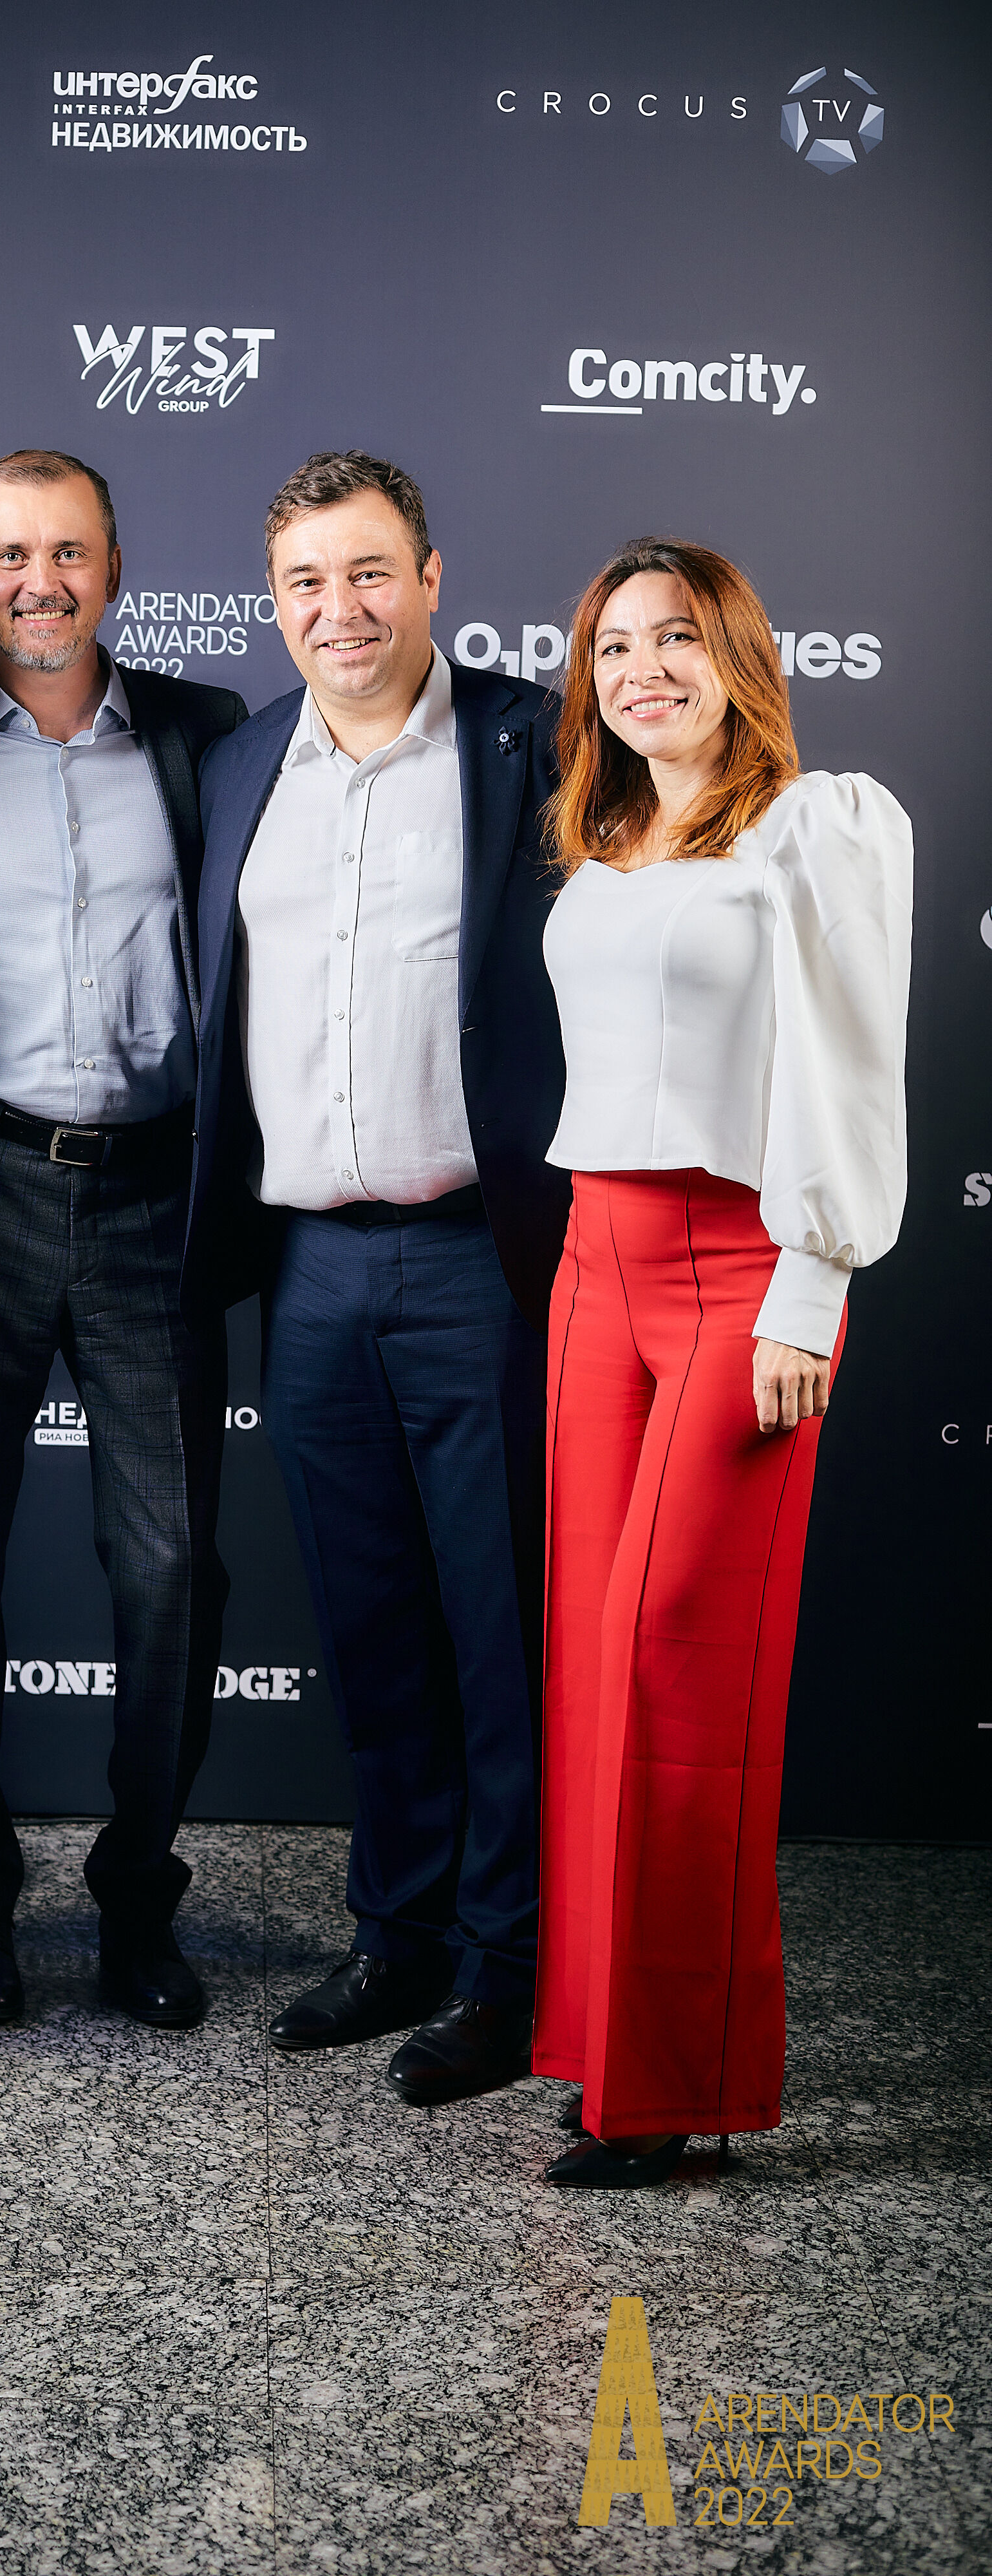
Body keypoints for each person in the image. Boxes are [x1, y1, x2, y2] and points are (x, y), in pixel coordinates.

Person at [184, 451, 572, 2104]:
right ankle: (396, 1932)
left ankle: (506, 1967)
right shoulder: (238, 762)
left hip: (481, 1256)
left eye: (365, 573)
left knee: (500, 1630)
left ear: (427, 576)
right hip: (310, 1268)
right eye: (302, 583)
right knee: (369, 1625)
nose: (335, 610)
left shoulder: (536, 739)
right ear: (272, 603)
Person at [0, 450, 246, 2029]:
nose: (40, 581)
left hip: (154, 1195)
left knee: (170, 1571)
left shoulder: (211, 736)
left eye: (67, 550)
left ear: (114, 565)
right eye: (10, 554)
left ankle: (140, 1897)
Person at [532, 538, 912, 2187]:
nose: (642, 670)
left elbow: (850, 1067)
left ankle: (675, 2080)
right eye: (613, 647)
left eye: (675, 637)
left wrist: (807, 1292)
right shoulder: (604, 835)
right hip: (591, 1265)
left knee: (678, 1675)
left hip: (737, 1270)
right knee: (591, 1670)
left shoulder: (815, 826)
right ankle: (601, 2045)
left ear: (738, 654)